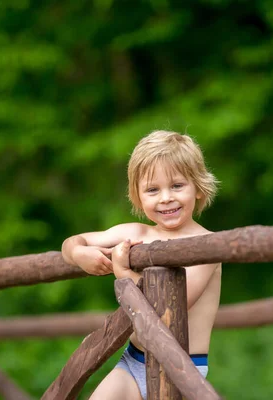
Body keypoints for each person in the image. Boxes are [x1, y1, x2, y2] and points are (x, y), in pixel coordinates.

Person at [61, 130, 222, 400]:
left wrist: (123, 273)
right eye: (152, 190)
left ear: (198, 187)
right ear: (138, 196)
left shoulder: (206, 244)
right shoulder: (139, 233)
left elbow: (168, 311)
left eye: (177, 186)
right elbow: (72, 241)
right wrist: (79, 254)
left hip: (182, 368)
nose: (165, 198)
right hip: (134, 361)